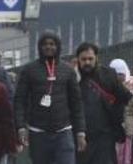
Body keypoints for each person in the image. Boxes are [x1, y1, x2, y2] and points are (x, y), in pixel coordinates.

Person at [15, 32, 87, 164]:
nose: (48, 47)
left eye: (52, 44)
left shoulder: (68, 70)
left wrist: (81, 132)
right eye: (45, 44)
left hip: (63, 132)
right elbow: (20, 101)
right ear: (39, 47)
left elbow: (76, 103)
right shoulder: (29, 70)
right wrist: (20, 127)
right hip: (38, 133)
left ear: (58, 47)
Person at [76, 43, 132, 164]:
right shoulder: (72, 79)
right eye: (84, 59)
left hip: (105, 137)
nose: (87, 62)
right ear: (78, 60)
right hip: (81, 139)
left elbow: (126, 97)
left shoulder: (108, 75)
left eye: (90, 59)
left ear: (96, 58)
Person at [109, 58, 133, 164]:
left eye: (121, 73)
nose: (119, 77)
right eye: (115, 74)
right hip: (115, 125)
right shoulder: (108, 86)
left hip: (132, 126)